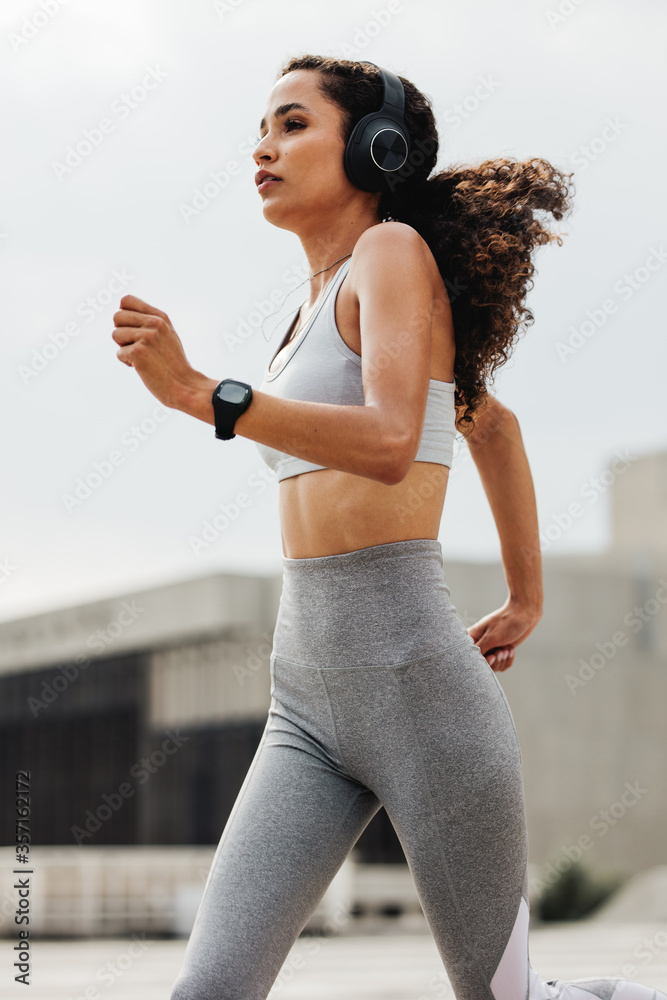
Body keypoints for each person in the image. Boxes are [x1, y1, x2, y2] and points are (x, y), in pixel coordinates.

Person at [112, 55, 665, 1000]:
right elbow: (486, 420)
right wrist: (522, 597)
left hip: (420, 694)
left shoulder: (390, 254)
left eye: (292, 124)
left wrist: (207, 395)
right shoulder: (307, 312)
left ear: (377, 147)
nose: (263, 145)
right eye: (259, 127)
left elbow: (389, 441)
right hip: (305, 700)